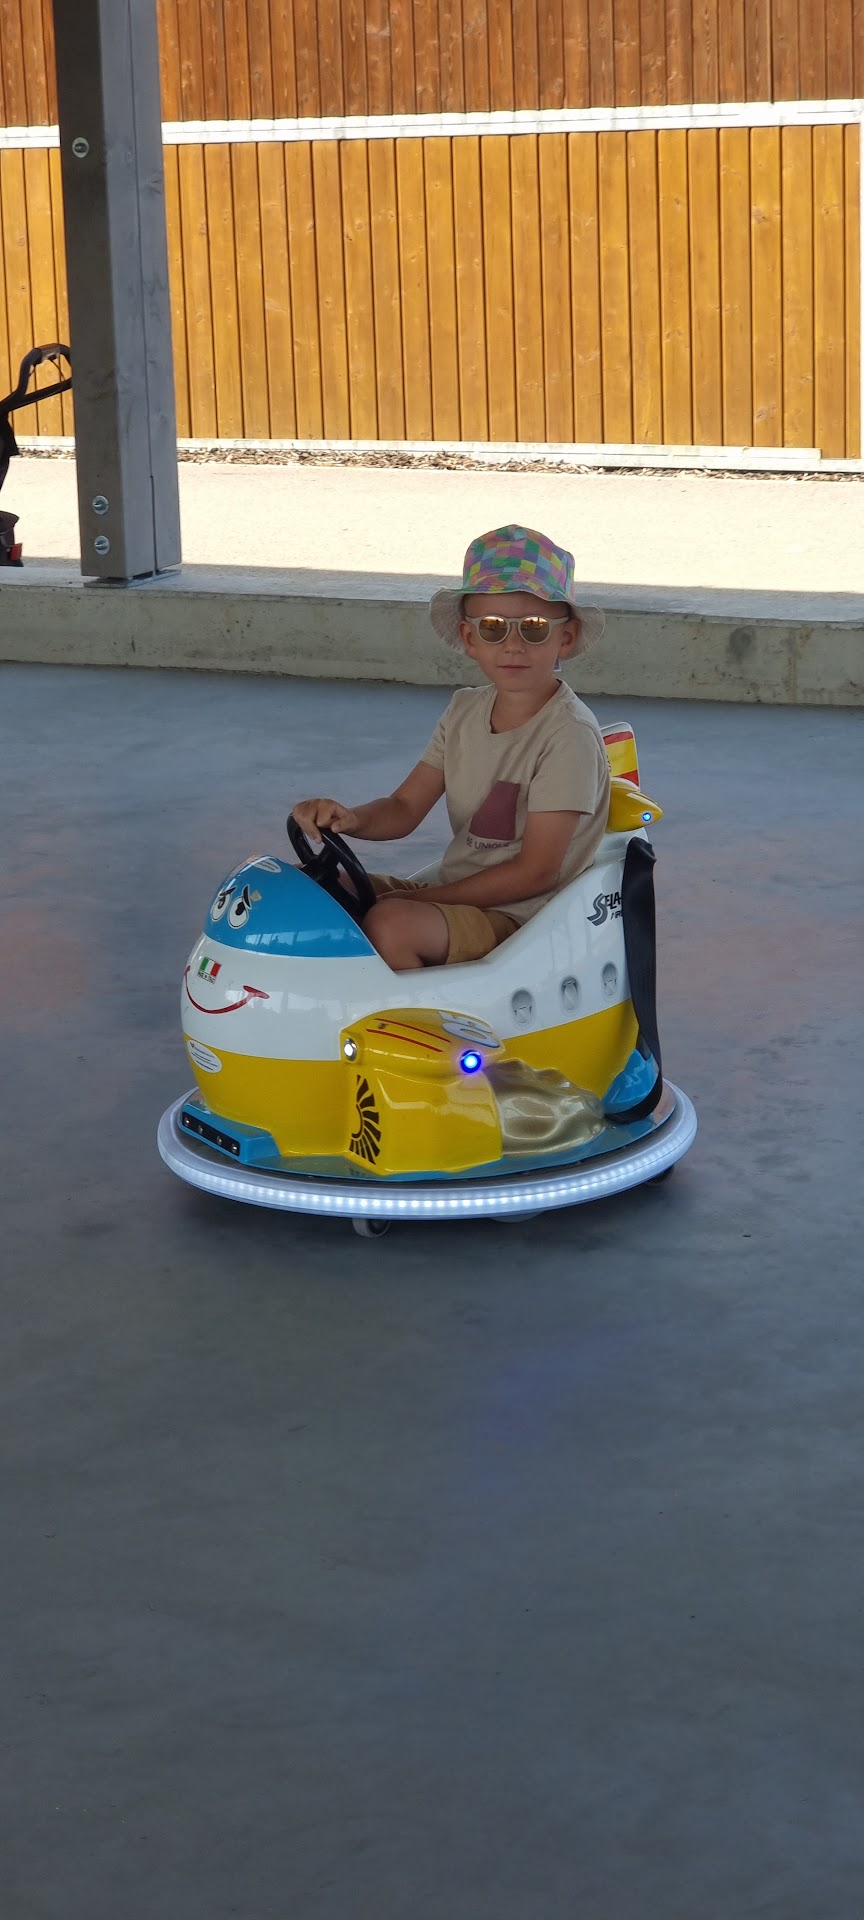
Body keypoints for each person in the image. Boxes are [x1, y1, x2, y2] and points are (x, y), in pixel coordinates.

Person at [292, 525, 611, 971]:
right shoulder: (464, 710)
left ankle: (418, 1014)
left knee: (391, 924)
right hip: (459, 894)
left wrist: (422, 899)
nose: (513, 645)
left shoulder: (568, 735)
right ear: (469, 638)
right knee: (308, 891)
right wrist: (350, 818)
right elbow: (405, 807)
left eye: (534, 628)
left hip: (524, 917)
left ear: (567, 637)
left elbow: (537, 872)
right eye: (493, 628)